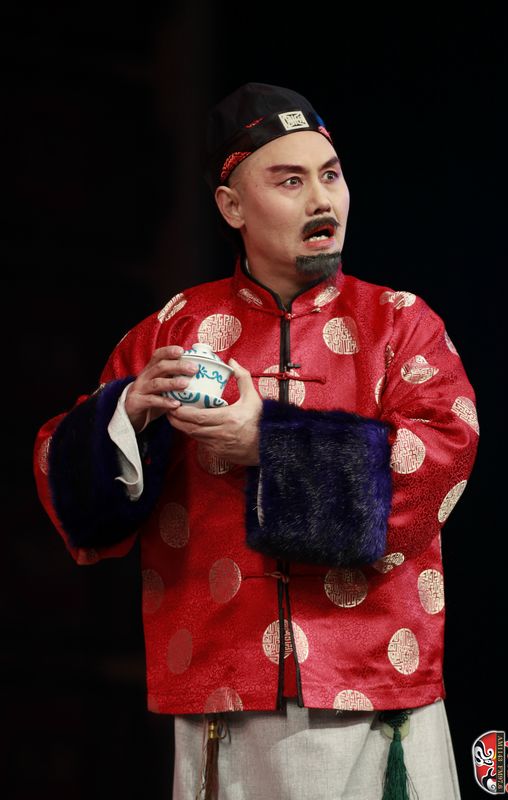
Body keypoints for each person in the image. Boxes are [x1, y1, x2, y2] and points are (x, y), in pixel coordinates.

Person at [34, 82, 479, 799]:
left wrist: (269, 444)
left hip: (375, 685)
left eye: (330, 175)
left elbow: (439, 464)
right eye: (290, 181)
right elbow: (73, 496)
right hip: (221, 690)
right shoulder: (173, 330)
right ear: (231, 207)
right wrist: (125, 415)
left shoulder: (400, 324)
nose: (322, 201)